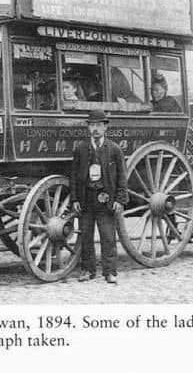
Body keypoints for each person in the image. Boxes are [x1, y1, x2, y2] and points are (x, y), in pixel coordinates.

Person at [71, 110, 128, 284]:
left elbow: (122, 177)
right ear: (88, 127)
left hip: (106, 199)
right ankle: (87, 270)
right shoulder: (81, 149)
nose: (95, 129)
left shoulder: (114, 149)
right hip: (86, 198)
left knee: (108, 236)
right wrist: (74, 199)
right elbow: (73, 176)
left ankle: (109, 272)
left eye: (98, 125)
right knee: (86, 235)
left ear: (105, 127)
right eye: (92, 125)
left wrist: (119, 199)